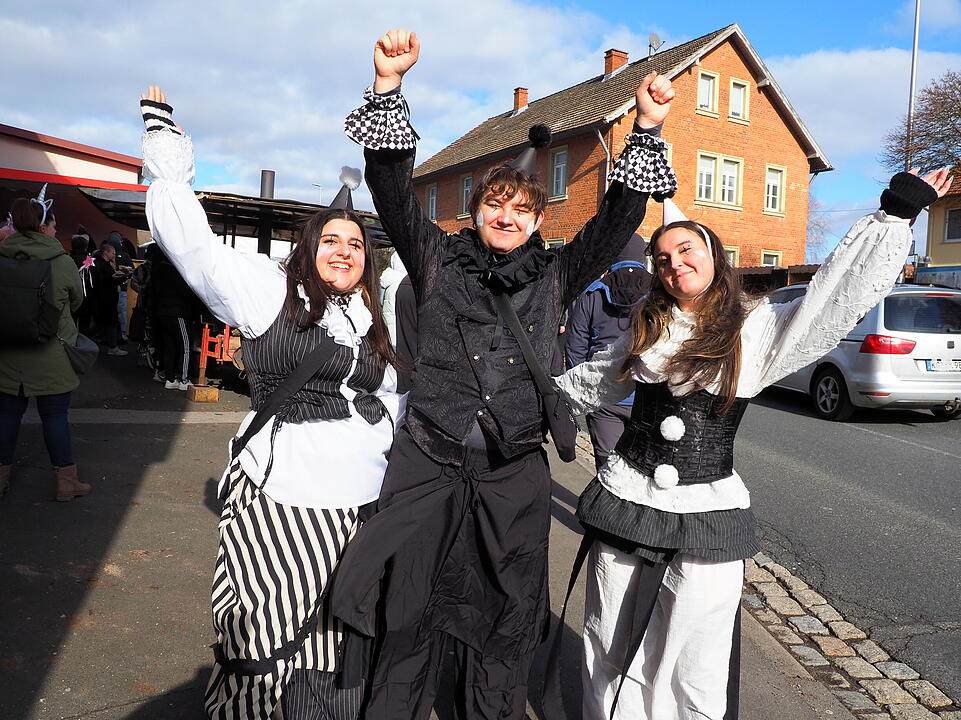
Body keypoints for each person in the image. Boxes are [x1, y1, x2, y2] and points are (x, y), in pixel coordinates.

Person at [330, 29, 677, 720]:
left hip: (512, 473)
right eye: (496, 205)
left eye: (521, 209)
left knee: (505, 613)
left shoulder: (555, 274)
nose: (506, 216)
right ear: (477, 210)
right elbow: (391, 189)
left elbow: (615, 221)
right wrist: (389, 86)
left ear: (536, 219)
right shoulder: (434, 258)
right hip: (427, 462)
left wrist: (644, 125)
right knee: (408, 607)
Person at [554, 168, 954, 720]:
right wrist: (538, 399)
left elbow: (832, 295)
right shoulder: (645, 326)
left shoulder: (756, 326)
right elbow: (598, 376)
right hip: (627, 499)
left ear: (715, 257)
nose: (675, 265)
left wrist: (894, 214)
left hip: (707, 509)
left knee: (695, 646)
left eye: (687, 250)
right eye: (663, 259)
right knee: (610, 633)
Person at [138, 85, 405, 720]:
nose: (343, 252)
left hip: (362, 506)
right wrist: (164, 144)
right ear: (308, 249)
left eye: (355, 244)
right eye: (330, 241)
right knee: (262, 645)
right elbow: (194, 251)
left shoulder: (375, 315)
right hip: (285, 501)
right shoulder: (266, 295)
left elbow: (397, 397)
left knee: (337, 648)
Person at [0, 191, 89, 501]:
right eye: (53, 225)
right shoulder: (61, 261)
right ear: (43, 226)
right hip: (52, 354)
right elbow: (77, 301)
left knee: (7, 417)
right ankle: (66, 483)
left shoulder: (2, 256)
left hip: (8, 354)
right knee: (54, 417)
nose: (55, 229)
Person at [565, 234, 651, 471]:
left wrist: (584, 387)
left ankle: (605, 508)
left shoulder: (592, 293)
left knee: (607, 465)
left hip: (603, 395)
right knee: (644, 469)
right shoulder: (659, 290)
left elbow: (575, 346)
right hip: (647, 395)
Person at [148, 247, 197, 390]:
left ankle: (170, 379)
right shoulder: (175, 272)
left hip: (162, 312)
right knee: (186, 346)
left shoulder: (157, 270)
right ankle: (184, 379)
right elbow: (186, 292)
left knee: (169, 346)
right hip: (177, 311)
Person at [91, 241, 129, 355]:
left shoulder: (107, 264)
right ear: (105, 252)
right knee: (111, 322)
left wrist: (125, 276)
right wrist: (112, 277)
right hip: (104, 298)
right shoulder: (97, 263)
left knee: (106, 322)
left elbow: (111, 280)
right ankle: (112, 346)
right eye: (112, 253)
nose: (114, 255)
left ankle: (105, 342)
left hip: (108, 298)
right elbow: (99, 280)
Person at [378, 251, 407, 347]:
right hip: (406, 329)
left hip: (388, 327)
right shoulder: (408, 285)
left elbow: (379, 301)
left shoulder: (387, 282)